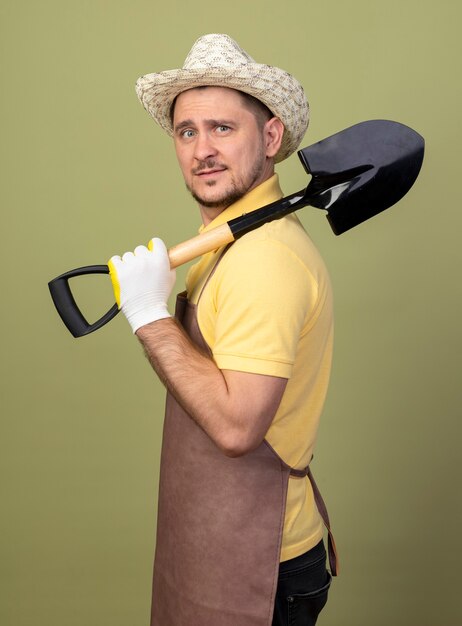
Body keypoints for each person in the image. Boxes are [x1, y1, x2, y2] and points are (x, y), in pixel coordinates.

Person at [108, 33, 338, 626]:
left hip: (262, 563)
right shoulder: (231, 245)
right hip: (218, 542)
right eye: (187, 132)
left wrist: (149, 314)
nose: (202, 149)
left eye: (223, 129)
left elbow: (237, 428)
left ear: (270, 137)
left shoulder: (265, 261)